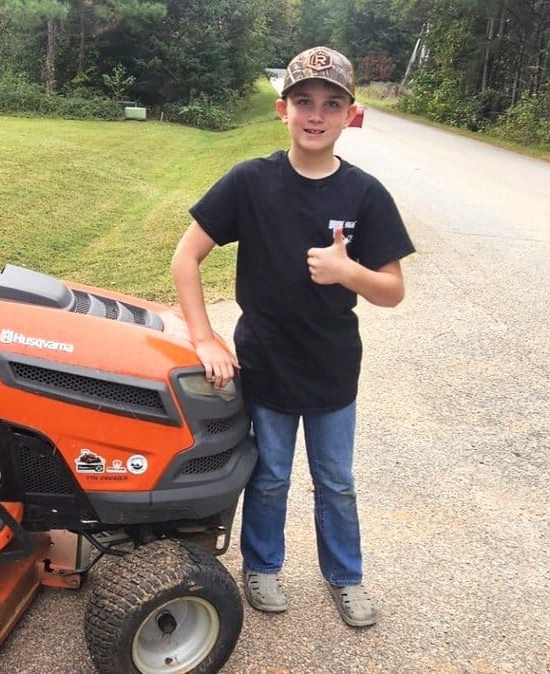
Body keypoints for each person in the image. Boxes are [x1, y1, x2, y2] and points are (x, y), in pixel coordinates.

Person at [170, 46, 414, 627]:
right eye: (304, 101)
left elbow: (391, 291)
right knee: (270, 477)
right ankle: (262, 567)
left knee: (336, 481)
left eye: (331, 104)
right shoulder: (251, 182)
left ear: (351, 115)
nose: (316, 115)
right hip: (266, 365)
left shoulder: (365, 194)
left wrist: (347, 272)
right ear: (283, 109)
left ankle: (345, 577)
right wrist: (204, 339)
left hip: (333, 369)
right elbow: (185, 258)